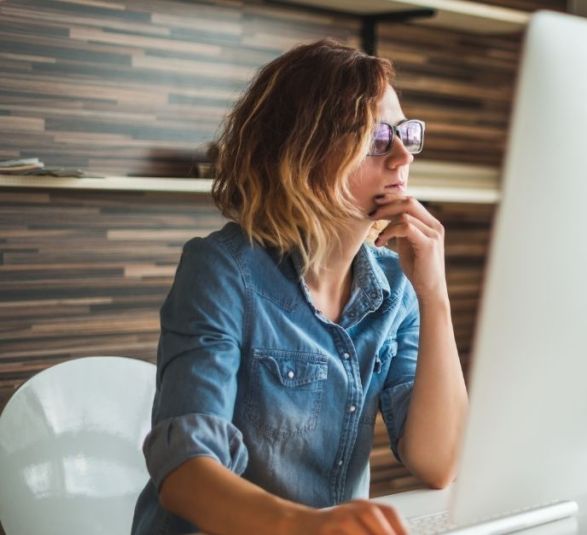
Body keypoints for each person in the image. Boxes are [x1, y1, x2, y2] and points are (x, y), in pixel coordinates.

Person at [131, 39, 467, 535]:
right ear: (303, 153)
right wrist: (305, 526)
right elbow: (184, 473)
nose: (402, 157)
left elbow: (439, 463)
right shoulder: (221, 270)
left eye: (405, 133)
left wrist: (434, 296)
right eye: (376, 138)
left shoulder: (397, 286)